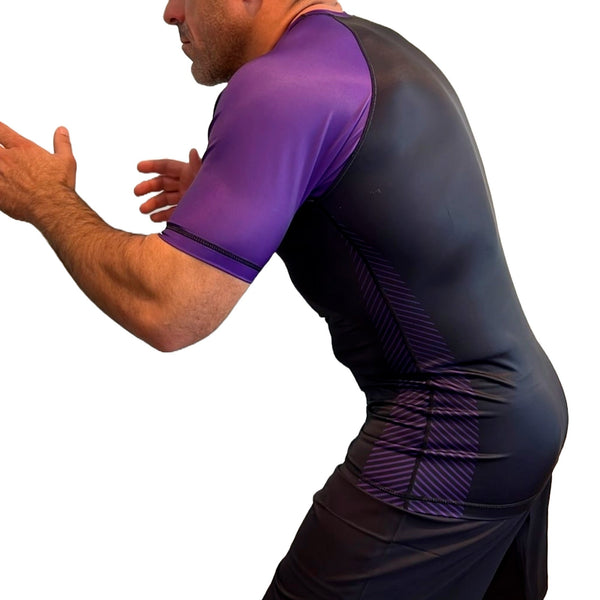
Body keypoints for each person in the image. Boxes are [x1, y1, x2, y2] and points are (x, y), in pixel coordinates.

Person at [0, 0, 568, 598]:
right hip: (522, 414)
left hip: (453, 432)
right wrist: (237, 200)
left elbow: (169, 309)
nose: (170, 12)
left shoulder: (279, 87)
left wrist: (47, 201)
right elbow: (383, 218)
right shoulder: (373, 54)